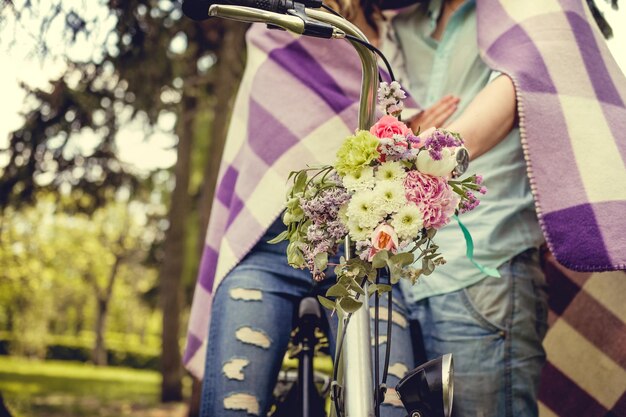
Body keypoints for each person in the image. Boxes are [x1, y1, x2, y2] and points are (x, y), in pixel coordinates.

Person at [180, 0, 463, 415]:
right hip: (268, 251)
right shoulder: (281, 20)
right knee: (233, 406)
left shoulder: (396, 38)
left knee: (390, 407)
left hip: (363, 260)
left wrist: (410, 142)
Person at [379, 0, 626, 415]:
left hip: (484, 272)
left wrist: (409, 149)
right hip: (400, 279)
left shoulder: (534, 7)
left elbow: (477, 130)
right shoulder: (400, 23)